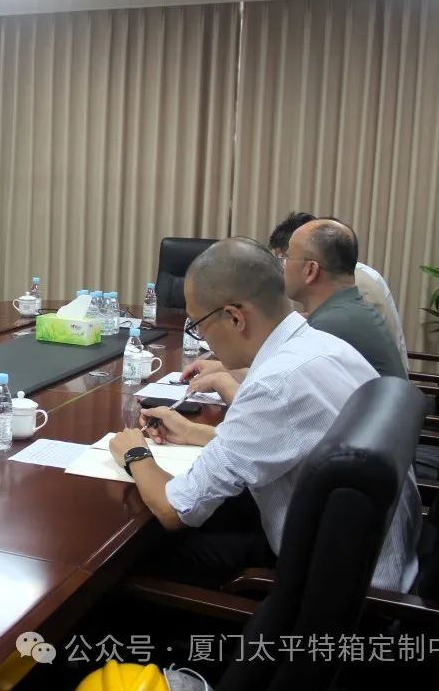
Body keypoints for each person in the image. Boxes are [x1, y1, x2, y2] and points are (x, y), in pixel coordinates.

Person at [108, 238, 420, 593]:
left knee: (136, 560)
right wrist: (195, 433)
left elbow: (174, 510)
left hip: (335, 591)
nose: (202, 338)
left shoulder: (275, 385)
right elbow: (294, 441)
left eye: (198, 325)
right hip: (367, 556)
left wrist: (135, 453)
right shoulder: (326, 347)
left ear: (235, 317)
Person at [269, 211, 408, 361]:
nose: (280, 268)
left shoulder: (329, 326)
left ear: (311, 270)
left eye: (286, 258)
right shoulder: (344, 308)